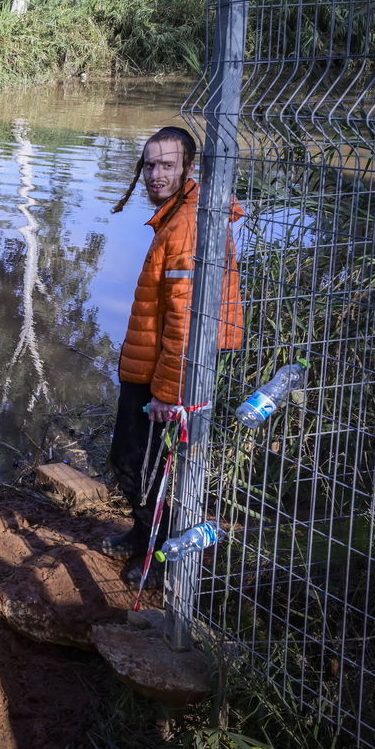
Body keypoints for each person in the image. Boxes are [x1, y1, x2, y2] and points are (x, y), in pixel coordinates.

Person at [101, 126, 244, 588]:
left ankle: (160, 561)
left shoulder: (185, 227)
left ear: (188, 169)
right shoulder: (181, 212)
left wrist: (165, 392)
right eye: (149, 164)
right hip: (156, 360)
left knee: (137, 462)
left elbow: (185, 321)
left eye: (166, 165)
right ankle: (144, 537)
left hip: (166, 371)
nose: (154, 175)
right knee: (140, 459)